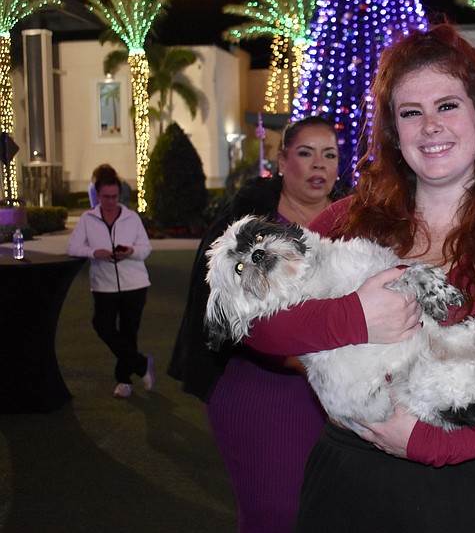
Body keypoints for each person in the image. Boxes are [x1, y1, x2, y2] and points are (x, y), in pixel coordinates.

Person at [241, 24, 475, 532]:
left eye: (447, 106)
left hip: (467, 496)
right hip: (352, 486)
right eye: (410, 112)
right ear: (393, 132)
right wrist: (354, 315)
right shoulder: (344, 222)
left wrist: (434, 443)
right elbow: (257, 326)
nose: (430, 127)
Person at [168, 116, 339, 532]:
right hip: (267, 391)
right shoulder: (248, 227)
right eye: (305, 153)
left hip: (344, 399)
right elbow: (233, 317)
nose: (319, 164)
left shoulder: (355, 223)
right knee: (277, 515)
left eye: (329, 154)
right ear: (282, 161)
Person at [67, 164, 154, 398]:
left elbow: (146, 248)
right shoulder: (87, 219)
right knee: (102, 325)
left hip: (135, 284)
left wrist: (130, 251)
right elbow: (73, 247)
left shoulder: (131, 218)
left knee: (129, 333)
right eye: (106, 197)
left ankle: (123, 381)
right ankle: (141, 364)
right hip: (103, 285)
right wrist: (95, 252)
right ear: (97, 194)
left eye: (114, 196)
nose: (110, 201)